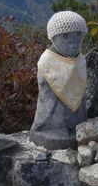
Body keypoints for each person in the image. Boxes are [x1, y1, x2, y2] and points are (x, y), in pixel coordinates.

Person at [29, 11, 88, 149]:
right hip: (52, 124)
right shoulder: (46, 62)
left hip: (77, 122)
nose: (73, 43)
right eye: (65, 37)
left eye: (78, 35)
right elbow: (47, 100)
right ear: (53, 38)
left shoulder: (80, 60)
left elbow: (81, 95)